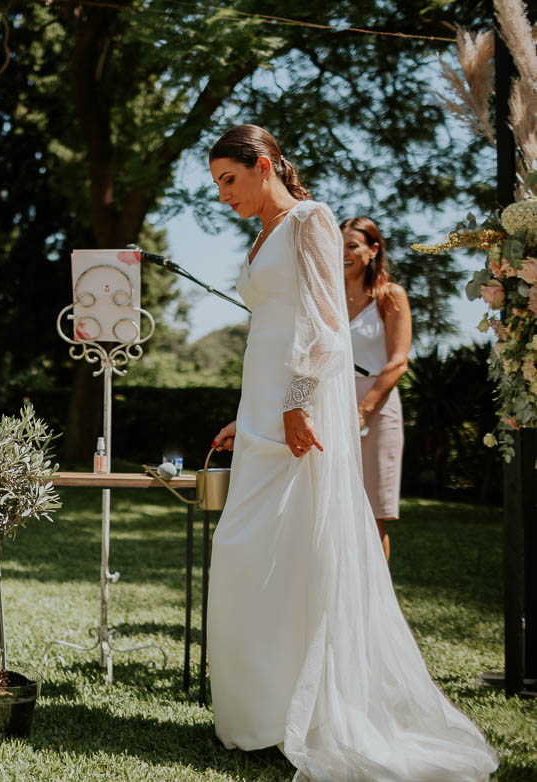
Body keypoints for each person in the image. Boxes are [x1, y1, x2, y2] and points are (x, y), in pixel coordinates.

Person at [205, 124, 496, 780]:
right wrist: (245, 411)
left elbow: (322, 321)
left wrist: (295, 402)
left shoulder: (311, 218)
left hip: (293, 411)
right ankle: (260, 714)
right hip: (262, 408)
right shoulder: (261, 232)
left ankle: (298, 714)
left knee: (283, 551)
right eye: (217, 185)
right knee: (251, 551)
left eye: (229, 179)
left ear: (265, 164)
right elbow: (269, 332)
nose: (224, 196)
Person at [342, 216, 411, 562]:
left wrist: (363, 408)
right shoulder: (327, 300)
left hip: (377, 409)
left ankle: (374, 612)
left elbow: (398, 361)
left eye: (352, 245)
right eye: (338, 246)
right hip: (333, 404)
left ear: (373, 250)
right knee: (333, 511)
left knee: (372, 516)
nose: (344, 253)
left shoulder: (390, 296)